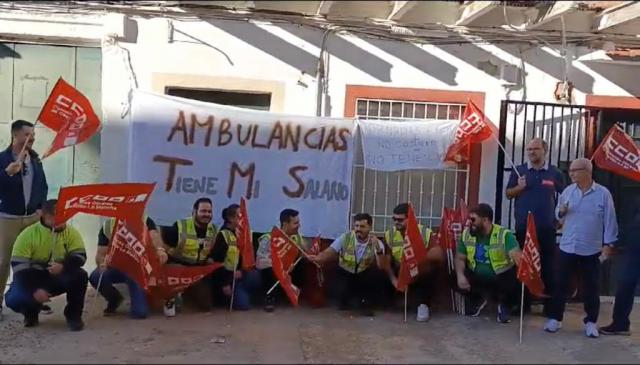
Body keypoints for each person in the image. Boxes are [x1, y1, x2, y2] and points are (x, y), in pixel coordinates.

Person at [544, 158, 618, 338]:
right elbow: (558, 216)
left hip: (590, 248)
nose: (571, 174)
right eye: (570, 171)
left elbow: (610, 220)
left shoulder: (602, 194)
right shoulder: (568, 192)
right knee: (560, 284)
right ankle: (555, 318)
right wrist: (561, 211)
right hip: (568, 246)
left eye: (575, 170)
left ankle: (591, 322)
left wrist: (609, 244)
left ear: (587, 171)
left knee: (591, 287)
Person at [4, 199, 87, 331]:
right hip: (33, 277)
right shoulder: (28, 234)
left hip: (59, 276)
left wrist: (63, 266)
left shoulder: (71, 232)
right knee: (13, 299)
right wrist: (33, 290)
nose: (61, 220)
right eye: (56, 216)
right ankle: (30, 312)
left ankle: (73, 315)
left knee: (80, 275)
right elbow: (19, 267)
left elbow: (80, 256)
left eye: (64, 215)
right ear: (45, 216)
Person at [505, 138, 565, 315]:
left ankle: (550, 307)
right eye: (529, 149)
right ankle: (523, 305)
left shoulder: (555, 173)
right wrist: (519, 187)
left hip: (547, 228)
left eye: (535, 149)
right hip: (524, 227)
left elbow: (565, 196)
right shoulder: (520, 171)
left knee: (548, 267)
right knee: (524, 265)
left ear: (544, 150)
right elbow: (508, 194)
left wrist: (562, 218)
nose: (532, 152)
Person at [0, 120, 48, 318]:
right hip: (8, 219)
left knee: (35, 261)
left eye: (33, 135)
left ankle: (33, 300)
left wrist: (40, 209)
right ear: (16, 136)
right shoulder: (2, 159)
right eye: (28, 135)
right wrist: (6, 173)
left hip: (32, 219)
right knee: (2, 262)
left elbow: (43, 186)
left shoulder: (35, 160)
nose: (33, 138)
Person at [308, 213, 388, 317]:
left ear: (370, 227)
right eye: (356, 226)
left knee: (376, 275)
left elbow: (381, 266)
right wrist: (318, 258)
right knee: (340, 296)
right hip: (345, 273)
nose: (358, 229)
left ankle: (365, 303)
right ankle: (347, 300)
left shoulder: (376, 242)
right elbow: (330, 252)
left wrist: (378, 249)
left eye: (362, 226)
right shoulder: (345, 237)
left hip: (363, 275)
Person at [455, 203, 522, 324]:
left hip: (499, 277)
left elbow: (517, 257)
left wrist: (516, 256)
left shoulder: (504, 235)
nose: (470, 223)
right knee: (453, 275)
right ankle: (477, 301)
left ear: (485, 220)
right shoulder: (467, 233)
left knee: (514, 278)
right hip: (476, 275)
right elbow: (460, 258)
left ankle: (504, 305)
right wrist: (460, 276)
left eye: (473, 219)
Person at [89, 214, 166, 319]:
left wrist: (160, 251)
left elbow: (155, 238)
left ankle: (141, 300)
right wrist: (101, 263)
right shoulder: (108, 225)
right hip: (117, 267)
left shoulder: (145, 220)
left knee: (140, 313)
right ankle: (114, 299)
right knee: (96, 276)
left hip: (137, 270)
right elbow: (100, 254)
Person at [160, 197, 225, 316]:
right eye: (203, 211)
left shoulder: (214, 230)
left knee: (206, 306)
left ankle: (188, 293)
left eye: (209, 212)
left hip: (198, 270)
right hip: (178, 267)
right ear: (194, 212)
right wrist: (163, 253)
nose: (206, 214)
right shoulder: (180, 226)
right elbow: (162, 240)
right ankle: (174, 295)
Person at [383, 203, 442, 322]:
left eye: (400, 220)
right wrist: (394, 280)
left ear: (410, 220)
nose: (396, 222)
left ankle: (423, 305)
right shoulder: (390, 234)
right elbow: (386, 262)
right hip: (399, 270)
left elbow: (439, 254)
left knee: (430, 271)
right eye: (394, 219)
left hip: (418, 268)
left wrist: (419, 259)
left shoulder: (424, 232)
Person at [256, 208, 310, 312]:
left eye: (299, 222)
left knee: (303, 263)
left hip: (289, 273)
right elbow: (260, 262)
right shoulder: (269, 238)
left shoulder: (297, 238)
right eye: (296, 223)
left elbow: (305, 253)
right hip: (272, 272)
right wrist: (282, 266)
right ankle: (269, 298)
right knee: (269, 268)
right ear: (285, 224)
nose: (299, 225)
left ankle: (292, 293)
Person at [600, 195, 640, 336]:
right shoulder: (637, 200)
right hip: (634, 251)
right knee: (625, 286)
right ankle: (620, 324)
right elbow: (631, 227)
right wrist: (615, 244)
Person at [210, 203, 261, 310]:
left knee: (255, 275)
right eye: (239, 216)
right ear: (230, 218)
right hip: (227, 277)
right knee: (243, 306)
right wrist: (224, 283)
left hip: (240, 274)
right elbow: (216, 262)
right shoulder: (223, 235)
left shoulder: (242, 233)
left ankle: (245, 294)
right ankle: (230, 296)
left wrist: (242, 270)